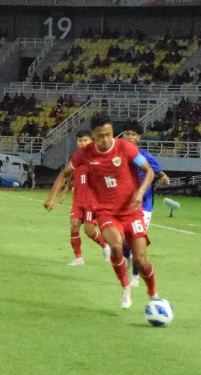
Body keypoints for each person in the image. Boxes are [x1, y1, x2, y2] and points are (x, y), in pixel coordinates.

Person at [44, 114, 161, 310]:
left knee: (141, 260)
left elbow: (149, 170)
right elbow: (64, 174)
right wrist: (51, 197)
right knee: (116, 246)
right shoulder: (85, 154)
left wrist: (140, 192)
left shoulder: (126, 148)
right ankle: (125, 287)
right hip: (106, 211)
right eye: (101, 136)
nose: (105, 139)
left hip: (131, 211)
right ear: (94, 135)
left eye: (108, 134)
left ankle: (153, 293)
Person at [120, 122, 170, 287]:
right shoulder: (117, 156)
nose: (130, 137)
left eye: (133, 134)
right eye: (127, 133)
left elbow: (156, 170)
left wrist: (163, 177)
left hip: (144, 206)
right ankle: (126, 258)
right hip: (122, 205)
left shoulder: (144, 156)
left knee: (136, 242)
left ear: (139, 137)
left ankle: (135, 277)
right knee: (122, 245)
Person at [57, 130, 111, 266]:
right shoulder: (75, 158)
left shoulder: (97, 157)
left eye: (85, 140)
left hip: (92, 202)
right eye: (80, 141)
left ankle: (106, 246)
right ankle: (78, 258)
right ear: (77, 142)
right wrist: (64, 192)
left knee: (89, 231)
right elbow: (70, 176)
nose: (82, 143)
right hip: (78, 199)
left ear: (91, 141)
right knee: (74, 226)